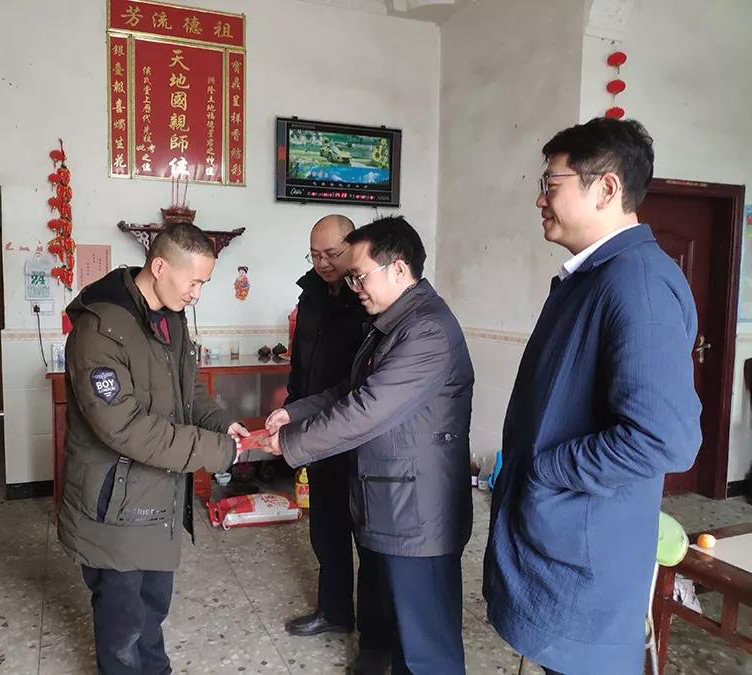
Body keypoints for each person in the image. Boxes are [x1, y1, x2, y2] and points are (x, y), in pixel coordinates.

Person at [483, 118, 702, 675]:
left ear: (605, 188)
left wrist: (545, 467)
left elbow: (663, 439)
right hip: (560, 532)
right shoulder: (595, 276)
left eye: (551, 184)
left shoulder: (637, 283)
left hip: (586, 551)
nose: (540, 199)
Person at [265, 216, 474, 674]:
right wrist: (296, 412)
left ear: (398, 268)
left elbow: (367, 409)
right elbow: (351, 389)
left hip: (418, 513)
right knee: (391, 628)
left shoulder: (426, 331)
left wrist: (289, 443)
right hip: (389, 499)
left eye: (359, 275)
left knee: (426, 648)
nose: (354, 286)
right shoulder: (392, 323)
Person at [58, 223, 249, 675]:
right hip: (115, 504)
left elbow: (190, 391)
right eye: (194, 282)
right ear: (160, 267)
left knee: (153, 606)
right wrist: (216, 450)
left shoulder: (170, 319)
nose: (197, 294)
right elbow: (125, 428)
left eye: (203, 283)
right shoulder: (99, 330)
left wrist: (223, 424)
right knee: (122, 623)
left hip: (158, 496)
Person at [282, 214, 392, 672]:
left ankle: (375, 639)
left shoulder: (370, 300)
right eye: (315, 255)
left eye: (332, 254)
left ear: (353, 248)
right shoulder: (309, 294)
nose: (323, 263)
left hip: (358, 435)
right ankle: (334, 611)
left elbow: (367, 384)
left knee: (368, 539)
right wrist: (291, 411)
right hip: (315, 431)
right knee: (325, 529)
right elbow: (300, 365)